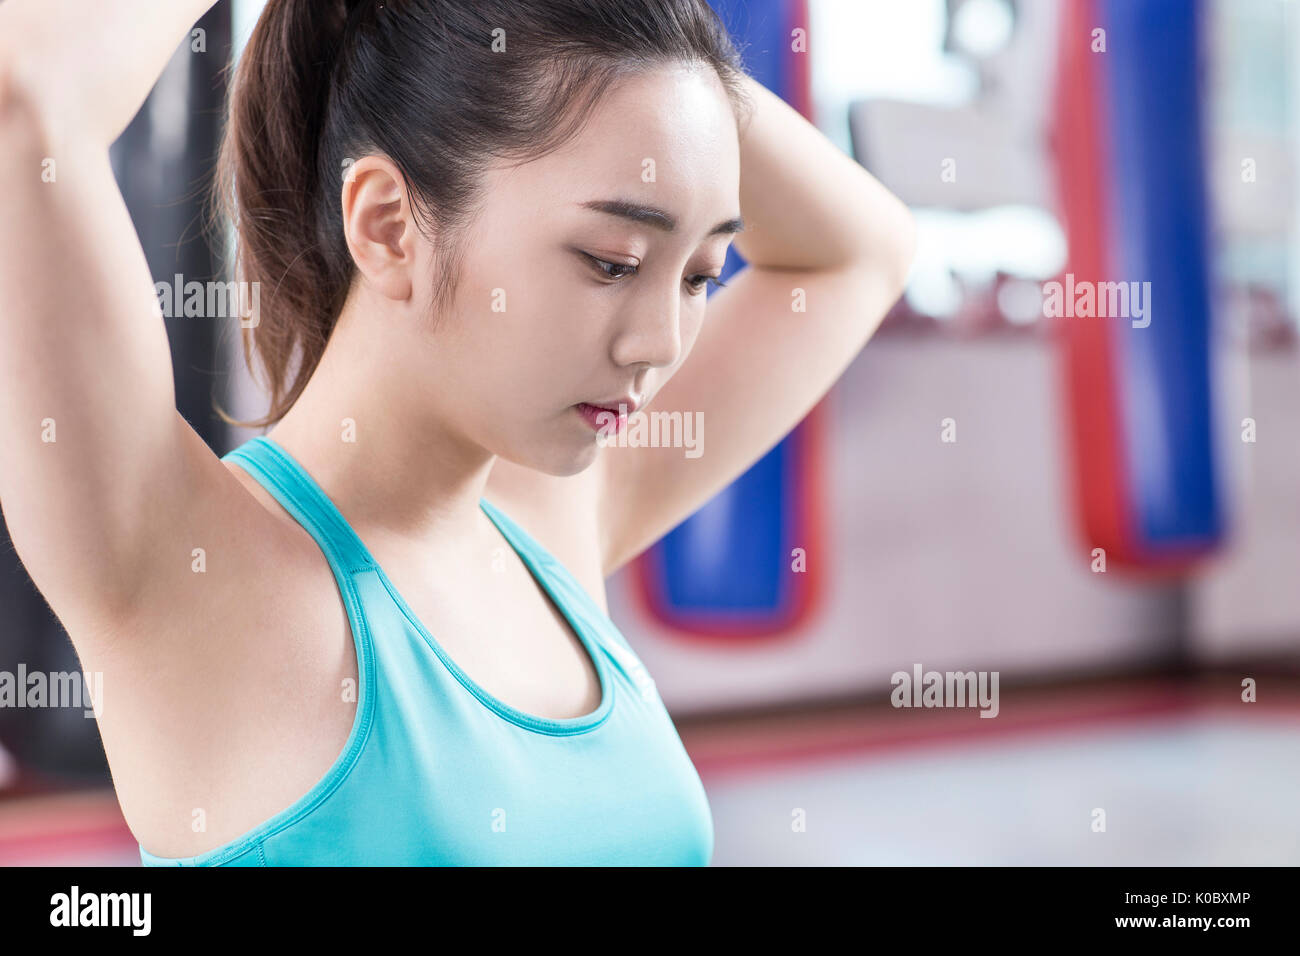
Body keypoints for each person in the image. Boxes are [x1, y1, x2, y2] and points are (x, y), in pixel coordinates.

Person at [0, 0, 915, 865]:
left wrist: (646, 65)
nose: (659, 346)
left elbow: (863, 248)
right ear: (390, 224)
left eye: (700, 275)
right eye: (612, 262)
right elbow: (24, 92)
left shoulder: (552, 524)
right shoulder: (197, 576)